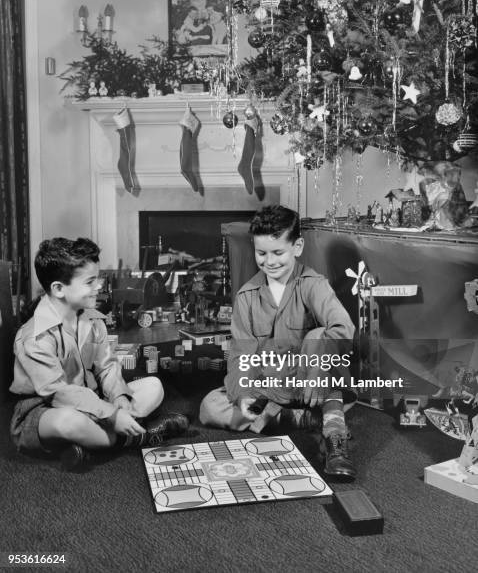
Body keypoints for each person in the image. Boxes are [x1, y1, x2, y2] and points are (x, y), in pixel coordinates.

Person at [200, 205, 357, 479]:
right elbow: (240, 357)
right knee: (209, 405)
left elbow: (344, 327)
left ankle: (335, 443)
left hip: (312, 385)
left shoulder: (313, 284)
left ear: (297, 247)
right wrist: (243, 396)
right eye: (261, 253)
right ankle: (305, 420)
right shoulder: (246, 296)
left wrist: (318, 370)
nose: (269, 262)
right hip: (270, 389)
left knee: (319, 337)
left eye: (278, 253)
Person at [10, 237, 189, 471]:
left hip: (93, 400)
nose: (99, 286)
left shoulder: (93, 319)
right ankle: (137, 436)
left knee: (154, 386)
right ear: (58, 289)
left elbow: (107, 367)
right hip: (44, 409)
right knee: (69, 421)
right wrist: (113, 415)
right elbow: (59, 393)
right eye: (90, 281)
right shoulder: (34, 336)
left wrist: (119, 400)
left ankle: (87, 447)